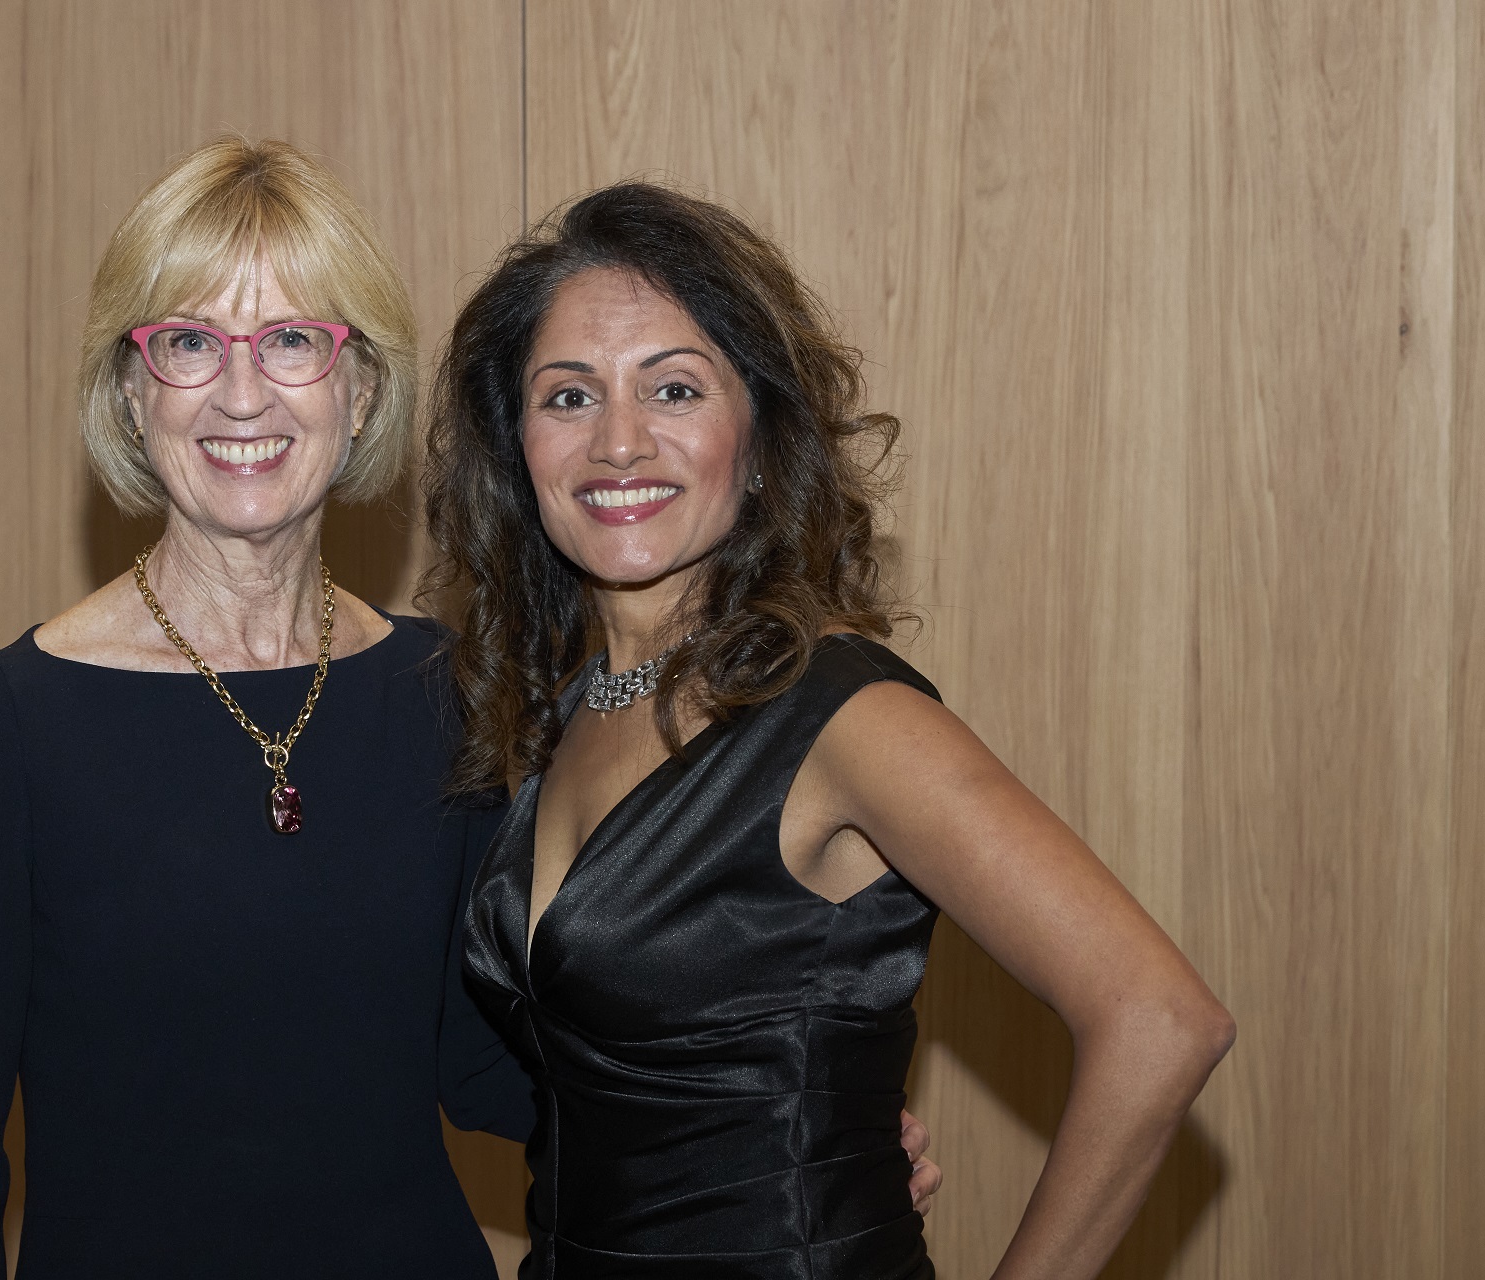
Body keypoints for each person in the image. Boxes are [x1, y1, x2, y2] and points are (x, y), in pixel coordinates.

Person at [0, 133, 945, 1278]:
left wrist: (770, 1116)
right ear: (133, 393)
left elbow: (492, 1062)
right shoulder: (5, 724)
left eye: (294, 339)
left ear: (362, 386)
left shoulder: (447, 689)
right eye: (189, 341)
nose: (243, 392)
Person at [423, 182, 1236, 1279]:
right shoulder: (555, 715)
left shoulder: (846, 716)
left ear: (756, 437)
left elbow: (1161, 1017)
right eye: (567, 397)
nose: (618, 442)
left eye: (673, 388)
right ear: (517, 448)